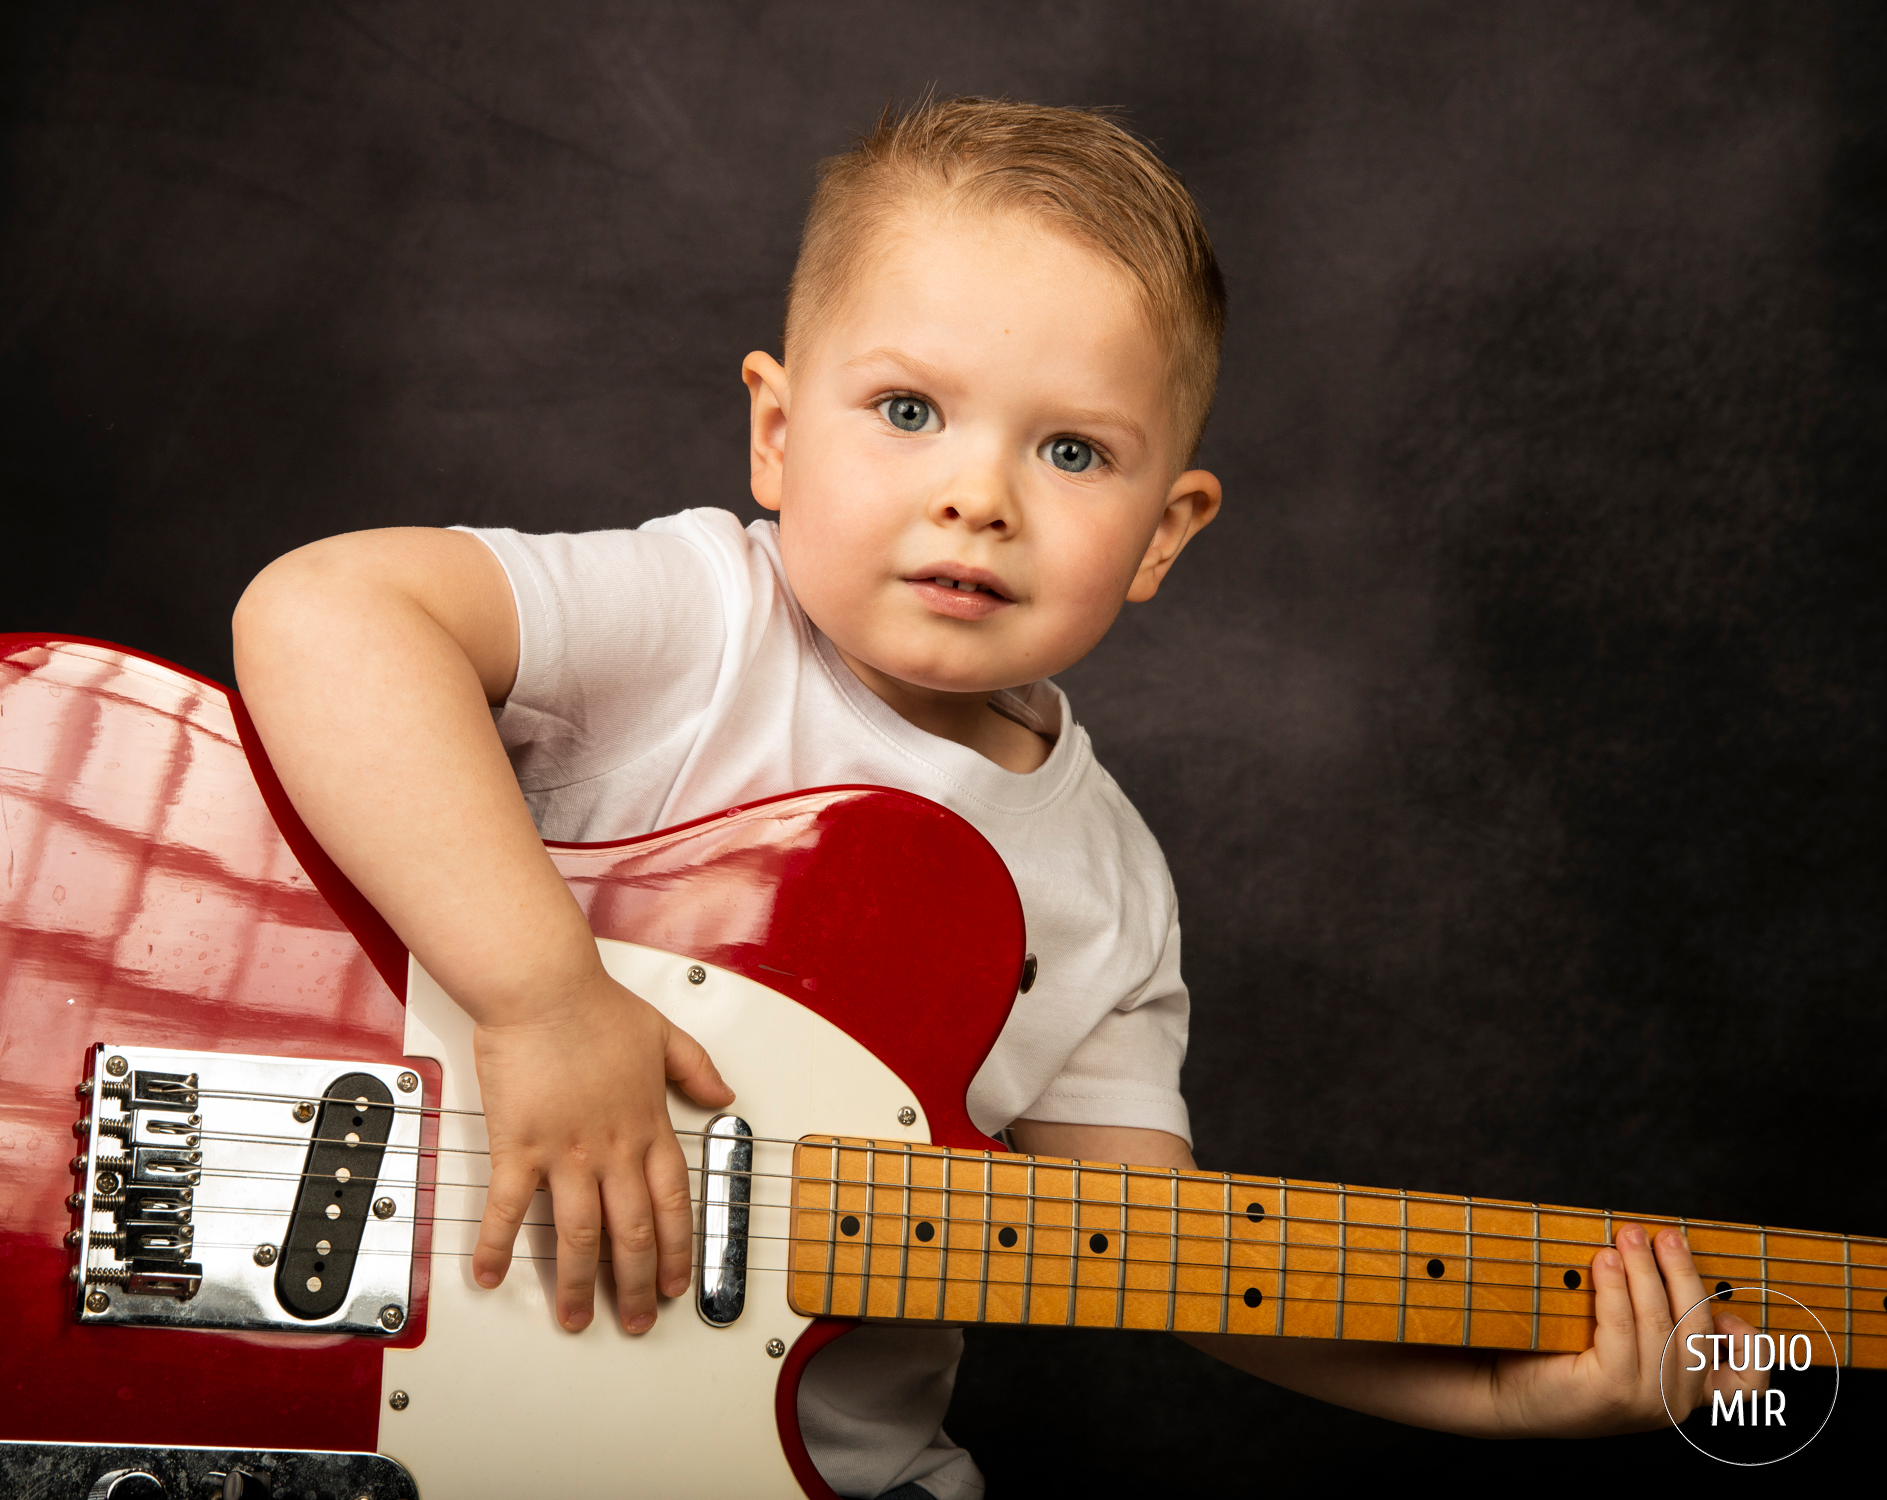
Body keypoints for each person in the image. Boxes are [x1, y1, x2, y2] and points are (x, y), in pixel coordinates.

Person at [233, 97, 1758, 1499]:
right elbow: (323, 613)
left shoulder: (1103, 878)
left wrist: (1498, 1405)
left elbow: (1157, 1259)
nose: (980, 495)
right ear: (777, 430)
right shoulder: (699, 620)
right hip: (407, 1410)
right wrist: (540, 998)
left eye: (1073, 450)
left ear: (1166, 534)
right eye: (908, 411)